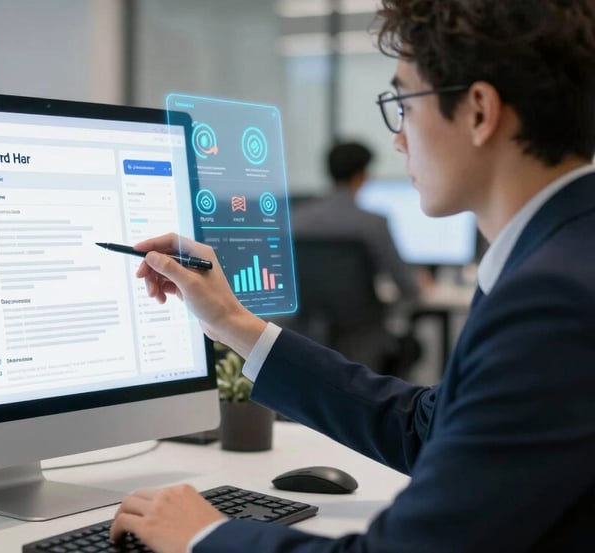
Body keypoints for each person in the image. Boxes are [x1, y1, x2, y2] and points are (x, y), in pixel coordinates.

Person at [109, 1, 595, 551]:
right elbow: (425, 430)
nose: (398, 139)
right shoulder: (550, 257)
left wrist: (207, 536)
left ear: (479, 110)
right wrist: (230, 322)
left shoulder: (552, 300)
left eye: (403, 104)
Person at [290, 140, 421, 301]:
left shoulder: (296, 219)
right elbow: (407, 288)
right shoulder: (373, 224)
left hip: (305, 324)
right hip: (363, 324)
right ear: (362, 176)